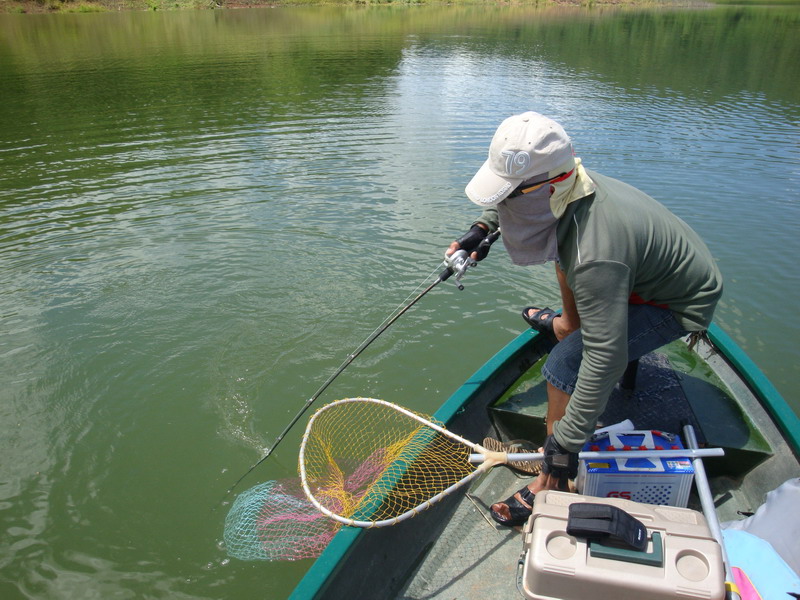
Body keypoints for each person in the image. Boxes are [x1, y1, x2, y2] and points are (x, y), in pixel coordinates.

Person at [447, 111, 723, 527]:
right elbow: (520, 204)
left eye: (508, 197)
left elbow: (605, 357)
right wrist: (481, 229)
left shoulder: (595, 253)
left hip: (677, 300)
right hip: (636, 273)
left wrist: (565, 443)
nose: (502, 205)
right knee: (566, 261)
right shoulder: (568, 184)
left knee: (564, 363)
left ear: (550, 183)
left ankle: (553, 478)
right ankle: (567, 324)